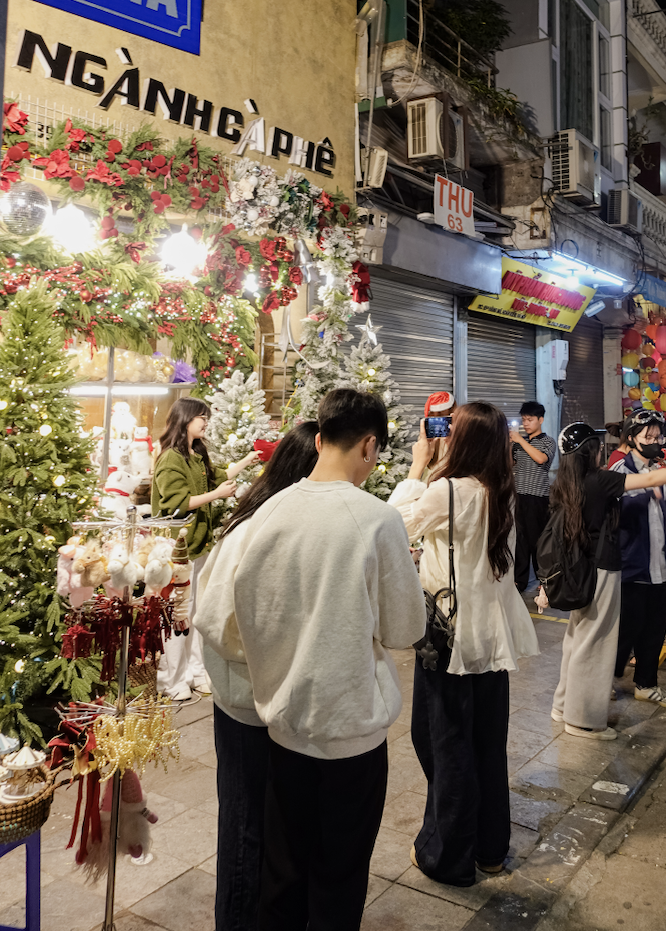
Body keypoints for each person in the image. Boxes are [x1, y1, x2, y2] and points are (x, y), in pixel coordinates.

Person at [219, 389, 424, 931]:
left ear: (317, 439)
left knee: (281, 878)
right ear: (369, 446)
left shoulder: (268, 512)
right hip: (349, 734)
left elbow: (240, 614)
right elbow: (406, 628)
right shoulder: (376, 519)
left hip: (283, 731)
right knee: (338, 880)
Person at [389, 402, 539, 886]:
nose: (443, 435)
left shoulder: (447, 491)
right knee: (486, 744)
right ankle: (491, 848)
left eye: (450, 431)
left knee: (443, 743)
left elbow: (392, 527)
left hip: (451, 638)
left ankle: (449, 856)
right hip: (492, 640)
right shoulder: (502, 489)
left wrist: (417, 465)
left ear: (464, 440)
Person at [195, 422, 320, 931]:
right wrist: (280, 658)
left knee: (282, 828)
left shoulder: (303, 527)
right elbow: (215, 621)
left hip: (291, 707)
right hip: (248, 707)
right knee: (247, 827)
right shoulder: (252, 530)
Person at [540, 421, 666, 739]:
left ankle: (563, 706)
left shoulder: (567, 480)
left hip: (581, 569)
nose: (602, 450)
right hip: (601, 570)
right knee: (595, 645)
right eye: (597, 446)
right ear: (589, 451)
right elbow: (652, 478)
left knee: (577, 640)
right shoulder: (599, 480)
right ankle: (583, 720)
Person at [151, 396, 261, 700]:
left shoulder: (195, 454)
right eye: (202, 416)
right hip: (176, 551)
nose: (206, 422)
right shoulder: (170, 458)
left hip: (198, 546)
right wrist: (215, 496)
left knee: (196, 614)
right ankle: (171, 680)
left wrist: (245, 461)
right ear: (186, 419)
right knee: (179, 615)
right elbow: (176, 503)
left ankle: (195, 672)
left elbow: (218, 475)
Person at [613, 410, 666, 710]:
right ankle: (604, 679)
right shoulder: (621, 470)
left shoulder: (660, 468)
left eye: (658, 436)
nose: (655, 441)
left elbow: (662, 520)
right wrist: (650, 493)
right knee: (624, 632)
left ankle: (647, 684)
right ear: (631, 438)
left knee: (654, 630)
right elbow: (619, 510)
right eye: (648, 436)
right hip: (633, 566)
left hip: (659, 565)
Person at [510, 401, 557, 591]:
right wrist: (508, 445)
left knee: (538, 541)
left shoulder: (547, 442)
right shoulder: (519, 444)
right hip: (518, 496)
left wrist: (520, 441)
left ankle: (544, 580)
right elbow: (509, 465)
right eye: (523, 420)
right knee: (519, 541)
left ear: (541, 420)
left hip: (537, 498)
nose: (526, 424)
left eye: (530, 420)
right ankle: (519, 581)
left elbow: (541, 459)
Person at [422, 390, 456, 480]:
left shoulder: (461, 433)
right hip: (429, 480)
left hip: (450, 482)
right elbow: (423, 462)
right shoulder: (427, 432)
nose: (436, 417)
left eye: (441, 414)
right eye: (432, 414)